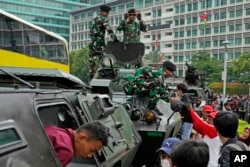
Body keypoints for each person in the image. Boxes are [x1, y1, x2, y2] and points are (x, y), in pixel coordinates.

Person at [44, 121, 109, 167]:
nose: (90, 155)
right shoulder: (67, 151)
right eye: (91, 150)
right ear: (81, 138)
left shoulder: (55, 130)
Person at [88, 5, 119, 79]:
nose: (108, 14)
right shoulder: (103, 18)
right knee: (106, 62)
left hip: (92, 44)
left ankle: (92, 79)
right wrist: (115, 39)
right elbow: (109, 29)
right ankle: (107, 78)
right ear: (101, 11)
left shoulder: (93, 20)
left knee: (92, 63)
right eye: (107, 12)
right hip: (100, 44)